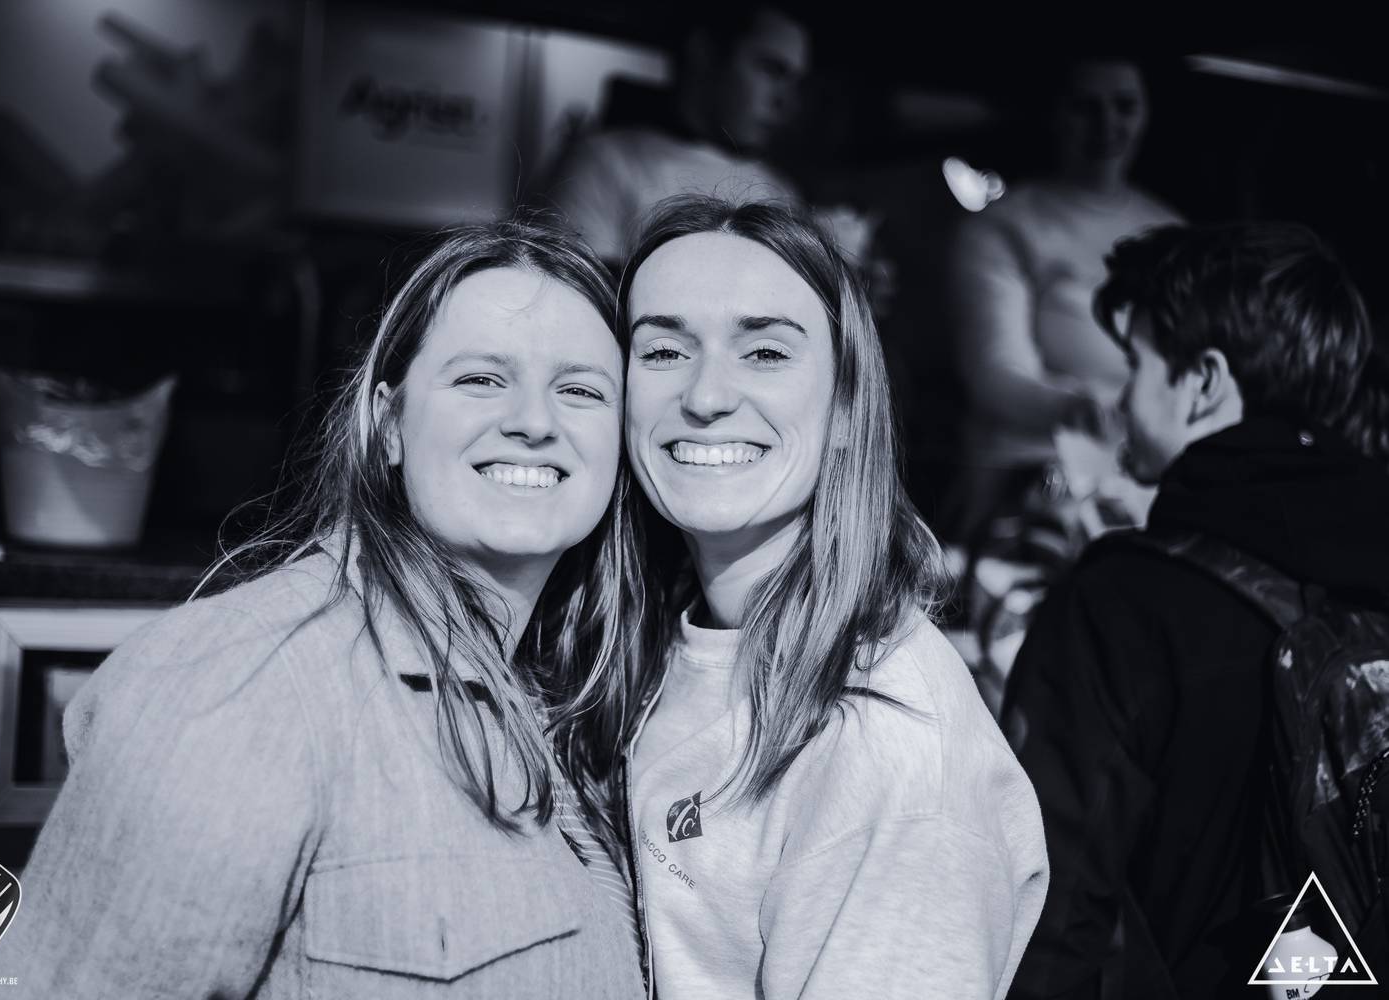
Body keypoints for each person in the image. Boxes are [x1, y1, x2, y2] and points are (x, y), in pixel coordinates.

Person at [0, 219, 646, 999]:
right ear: (389, 425)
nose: (533, 421)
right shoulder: (243, 681)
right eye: (480, 380)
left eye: (580, 390)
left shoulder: (576, 705)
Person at [585, 195, 1048, 999]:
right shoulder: (656, 637)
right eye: (662, 350)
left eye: (764, 352)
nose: (705, 395)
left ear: (844, 407)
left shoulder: (888, 750)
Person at [1001, 222, 1389, 999]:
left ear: (1204, 381)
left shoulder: (1121, 609)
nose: (1121, 397)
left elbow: (1044, 915)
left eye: (1138, 364)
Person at [947, 55, 1182, 539]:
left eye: (1124, 106)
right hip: (1028, 477)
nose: (1107, 125)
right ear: (1055, 114)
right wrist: (1082, 407)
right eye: (1086, 107)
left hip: (1145, 481)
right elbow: (994, 373)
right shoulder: (1005, 227)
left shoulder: (1170, 230)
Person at [545, 4, 808, 265]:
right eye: (770, 70)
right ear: (705, 52)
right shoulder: (603, 163)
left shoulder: (781, 193)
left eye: (794, 81)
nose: (784, 100)